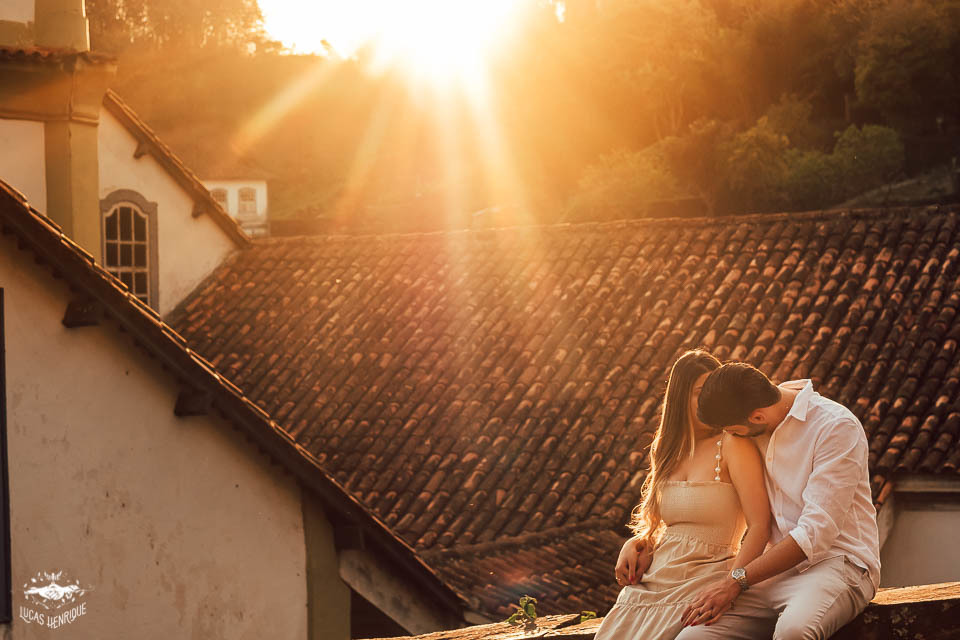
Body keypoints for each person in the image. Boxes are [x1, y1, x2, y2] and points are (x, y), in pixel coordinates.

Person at [675, 362, 880, 639]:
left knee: (793, 632)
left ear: (757, 418)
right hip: (769, 573)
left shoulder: (835, 427)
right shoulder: (754, 406)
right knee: (693, 636)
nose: (732, 438)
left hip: (838, 564)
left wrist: (736, 581)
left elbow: (815, 534)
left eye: (734, 431)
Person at [595, 350, 771, 640]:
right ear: (680, 398)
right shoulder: (666, 452)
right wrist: (639, 543)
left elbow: (760, 527)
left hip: (707, 578)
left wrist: (732, 584)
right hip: (652, 585)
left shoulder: (732, 443)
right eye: (700, 393)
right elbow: (668, 527)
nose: (708, 401)